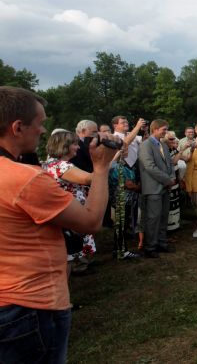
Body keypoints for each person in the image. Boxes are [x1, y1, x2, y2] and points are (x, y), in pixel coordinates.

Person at [0, 86, 116, 362]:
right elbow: (90, 221)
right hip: (30, 305)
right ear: (17, 127)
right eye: (39, 123)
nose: (43, 131)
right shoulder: (25, 179)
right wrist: (101, 168)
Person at [41, 130, 97, 272]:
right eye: (74, 144)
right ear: (64, 146)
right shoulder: (62, 166)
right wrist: (105, 162)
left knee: (67, 256)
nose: (78, 147)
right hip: (71, 214)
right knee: (69, 258)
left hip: (63, 213)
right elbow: (89, 178)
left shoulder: (49, 163)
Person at [138, 119, 176, 258]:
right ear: (155, 129)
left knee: (163, 217)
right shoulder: (145, 145)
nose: (165, 132)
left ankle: (161, 243)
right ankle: (150, 247)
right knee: (153, 219)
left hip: (165, 187)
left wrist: (172, 177)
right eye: (163, 129)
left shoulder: (163, 145)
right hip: (153, 188)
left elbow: (169, 164)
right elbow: (149, 167)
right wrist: (167, 180)